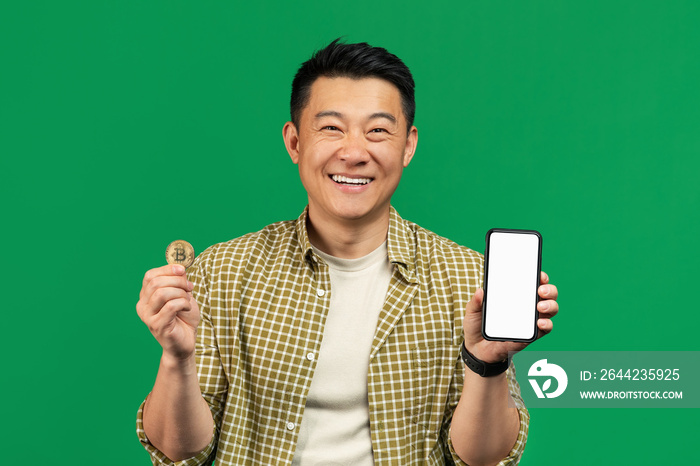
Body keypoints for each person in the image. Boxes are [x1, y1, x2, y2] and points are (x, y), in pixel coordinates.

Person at [135, 39, 559, 466]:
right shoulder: (223, 272)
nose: (354, 153)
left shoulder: (467, 279)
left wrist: (487, 363)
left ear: (408, 145)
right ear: (295, 142)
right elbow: (179, 450)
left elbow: (482, 459)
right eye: (332, 128)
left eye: (377, 130)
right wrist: (177, 358)